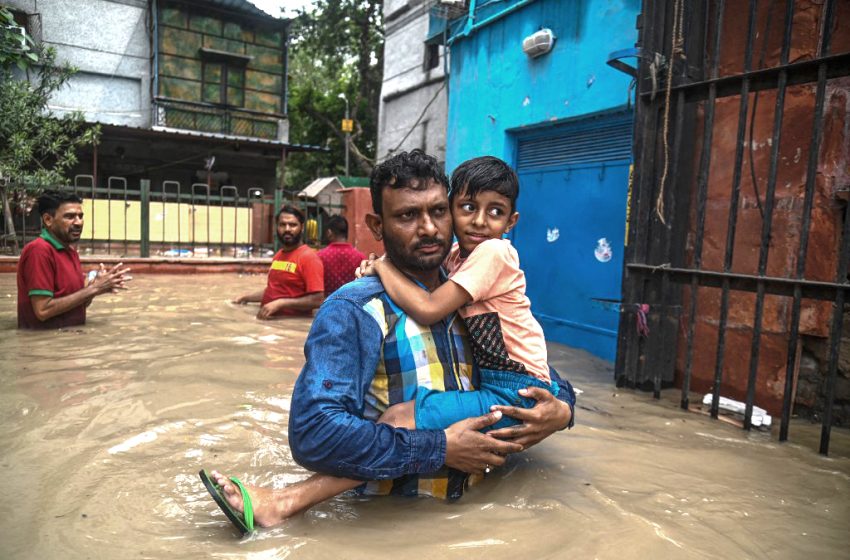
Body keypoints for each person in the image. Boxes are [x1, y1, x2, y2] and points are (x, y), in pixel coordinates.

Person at [202, 150, 575, 534]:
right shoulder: (355, 310)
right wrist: (440, 448)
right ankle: (282, 502)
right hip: (385, 528)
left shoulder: (471, 293)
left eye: (437, 212)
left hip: (479, 523)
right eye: (407, 215)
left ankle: (284, 501)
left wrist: (562, 411)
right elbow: (314, 436)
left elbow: (534, 370)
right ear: (377, 226)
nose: (428, 228)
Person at [359, 155, 557, 432]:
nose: (479, 222)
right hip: (502, 383)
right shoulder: (455, 256)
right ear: (451, 210)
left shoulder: (494, 252)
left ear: (511, 222)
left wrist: (381, 266)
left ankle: (326, 479)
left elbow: (428, 309)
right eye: (468, 207)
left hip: (518, 390)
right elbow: (414, 262)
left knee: (398, 419)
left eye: (495, 212)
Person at [17, 190, 131, 330]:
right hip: (45, 346)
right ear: (48, 220)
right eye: (70, 216)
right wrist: (95, 288)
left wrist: (95, 289)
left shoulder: (71, 252)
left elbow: (77, 304)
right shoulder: (39, 250)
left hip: (69, 342)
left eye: (80, 216)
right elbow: (43, 311)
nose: (78, 222)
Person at [233, 205, 324, 319]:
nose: (287, 229)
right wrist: (246, 297)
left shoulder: (309, 258)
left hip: (290, 326)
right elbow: (273, 291)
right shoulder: (278, 255)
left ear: (302, 227)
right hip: (271, 324)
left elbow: (318, 300)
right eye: (282, 225)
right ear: (276, 227)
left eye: (293, 225)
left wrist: (281, 303)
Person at [317, 215, 366, 295]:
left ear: (329, 232)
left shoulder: (320, 256)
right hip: (352, 303)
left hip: (327, 303)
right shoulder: (360, 257)